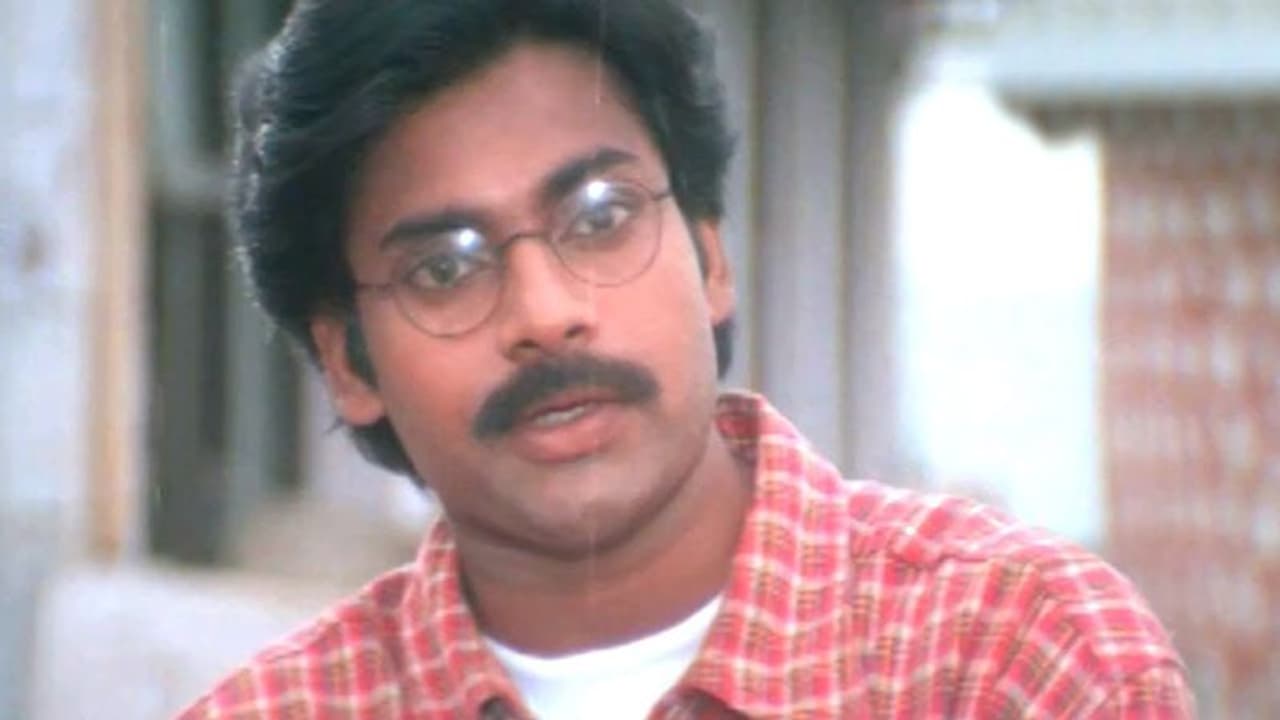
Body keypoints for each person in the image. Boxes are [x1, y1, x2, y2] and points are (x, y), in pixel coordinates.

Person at [179, 1, 1194, 718]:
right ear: (349, 365)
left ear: (710, 258)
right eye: (444, 269)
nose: (545, 314)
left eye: (600, 217)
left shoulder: (1017, 660)